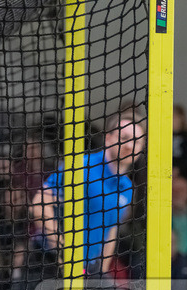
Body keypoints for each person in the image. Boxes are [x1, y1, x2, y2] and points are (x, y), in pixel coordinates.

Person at [30, 113, 144, 275]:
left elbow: (110, 231)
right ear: (108, 138)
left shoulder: (127, 187)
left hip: (87, 271)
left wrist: (101, 272)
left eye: (136, 141)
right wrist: (62, 250)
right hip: (49, 263)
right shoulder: (82, 166)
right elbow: (40, 204)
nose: (129, 146)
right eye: (124, 138)